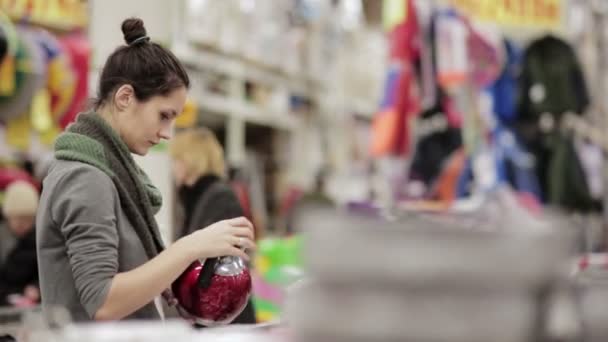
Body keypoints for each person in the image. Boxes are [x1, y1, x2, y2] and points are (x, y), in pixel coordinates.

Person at [36, 18, 255, 322]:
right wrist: (190, 247)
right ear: (125, 97)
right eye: (164, 116)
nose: (167, 133)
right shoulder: (85, 178)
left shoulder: (111, 176)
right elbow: (103, 301)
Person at [169, 127, 256, 324]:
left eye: (176, 160)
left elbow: (214, 262)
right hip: (215, 313)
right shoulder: (197, 198)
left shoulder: (218, 196)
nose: (173, 167)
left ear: (188, 160)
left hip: (224, 315)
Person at [0, 181, 39, 307]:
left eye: (28, 219)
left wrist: (36, 287)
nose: (22, 224)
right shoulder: (3, 239)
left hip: (29, 305)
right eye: (18, 218)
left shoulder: (38, 241)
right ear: (8, 216)